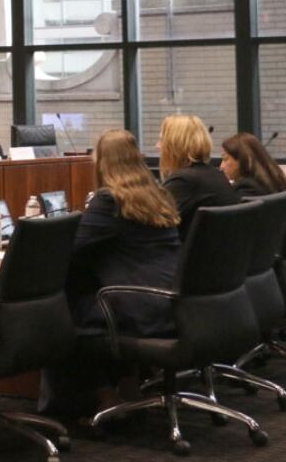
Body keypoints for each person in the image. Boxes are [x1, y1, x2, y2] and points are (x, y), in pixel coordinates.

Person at [45, 129, 181, 418]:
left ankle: (103, 397)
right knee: (88, 291)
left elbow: (70, 250)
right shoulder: (159, 194)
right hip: (173, 303)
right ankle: (128, 385)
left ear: (102, 163)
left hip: (138, 307)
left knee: (62, 309)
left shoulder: (110, 200)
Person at [157, 114, 239, 237]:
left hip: (189, 254)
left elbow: (155, 227)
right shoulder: (215, 175)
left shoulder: (183, 181)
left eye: (162, 140)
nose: (158, 146)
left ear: (174, 146)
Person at [219, 132, 286, 199]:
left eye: (225, 159)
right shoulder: (274, 180)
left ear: (243, 160)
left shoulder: (247, 189)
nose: (221, 166)